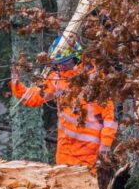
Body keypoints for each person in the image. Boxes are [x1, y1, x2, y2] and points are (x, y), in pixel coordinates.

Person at [10, 37, 117, 171]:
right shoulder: (56, 79)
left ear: (76, 58)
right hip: (64, 152)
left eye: (64, 62)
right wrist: (17, 85)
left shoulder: (95, 80)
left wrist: (105, 148)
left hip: (90, 154)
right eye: (58, 63)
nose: (60, 66)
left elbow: (110, 119)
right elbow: (35, 98)